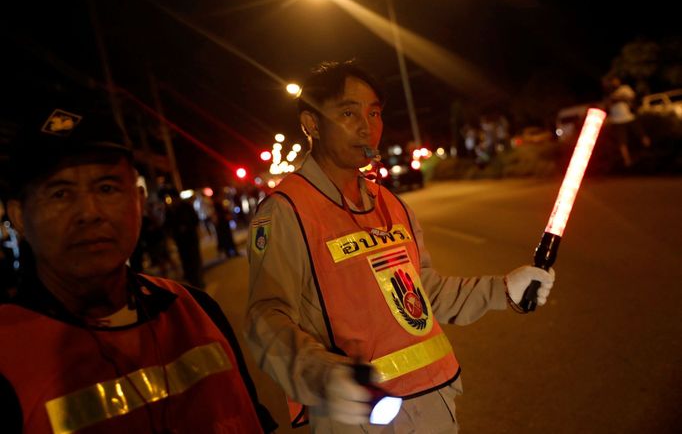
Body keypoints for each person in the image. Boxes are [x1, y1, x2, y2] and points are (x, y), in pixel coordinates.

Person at [245, 60, 555, 432]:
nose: (367, 126)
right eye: (348, 112)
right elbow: (265, 317)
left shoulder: (390, 204)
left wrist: (502, 289)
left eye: (374, 113)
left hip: (433, 404)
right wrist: (322, 376)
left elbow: (423, 292)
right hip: (360, 418)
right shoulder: (286, 211)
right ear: (311, 124)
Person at [0, 103, 276, 433]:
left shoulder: (196, 309)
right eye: (60, 194)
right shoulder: (8, 352)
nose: (89, 212)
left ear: (139, 201)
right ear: (17, 215)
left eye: (107, 188)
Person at [603, 76, 651, 168]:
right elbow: (607, 105)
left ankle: (650, 150)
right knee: (622, 141)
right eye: (612, 82)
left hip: (629, 116)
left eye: (615, 81)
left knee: (641, 134)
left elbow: (631, 97)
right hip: (617, 120)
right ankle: (627, 160)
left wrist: (618, 99)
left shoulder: (624, 89)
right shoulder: (608, 94)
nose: (614, 83)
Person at [163, 188, 204, 289]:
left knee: (195, 260)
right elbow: (168, 224)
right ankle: (192, 282)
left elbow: (195, 220)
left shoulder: (186, 207)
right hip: (180, 241)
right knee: (185, 261)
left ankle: (198, 281)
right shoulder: (170, 210)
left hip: (191, 239)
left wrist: (187, 226)